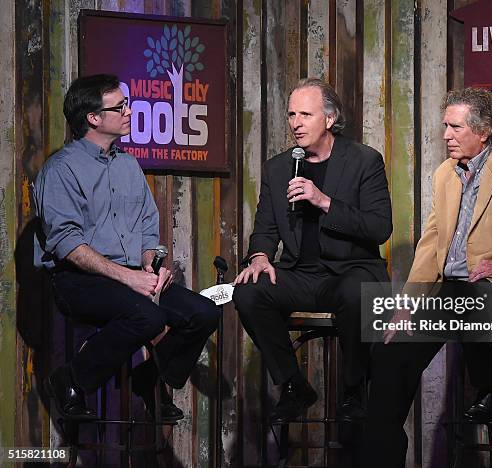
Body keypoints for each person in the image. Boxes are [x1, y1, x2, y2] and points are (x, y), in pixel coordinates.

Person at [363, 87, 492, 466]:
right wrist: (407, 303)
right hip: (448, 294)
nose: (445, 135)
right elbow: (430, 245)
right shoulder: (445, 174)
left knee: (468, 298)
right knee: (390, 350)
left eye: (455, 127)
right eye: (445, 126)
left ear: (484, 130)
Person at [34, 74, 220, 421]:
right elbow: (68, 245)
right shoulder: (61, 170)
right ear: (93, 117)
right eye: (120, 106)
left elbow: (148, 226)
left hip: (130, 276)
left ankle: (151, 375)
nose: (129, 111)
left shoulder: (128, 164)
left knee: (205, 313)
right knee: (147, 315)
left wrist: (150, 267)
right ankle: (70, 380)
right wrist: (129, 279)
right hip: (80, 279)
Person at [233, 78, 392, 423]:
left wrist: (324, 202)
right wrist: (259, 256)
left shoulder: (364, 161)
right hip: (301, 276)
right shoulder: (279, 168)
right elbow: (265, 229)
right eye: (291, 114)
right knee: (247, 291)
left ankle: (353, 390)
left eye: (306, 114)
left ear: (330, 119)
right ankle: (293, 385)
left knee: (356, 293)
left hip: (350, 271)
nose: (295, 123)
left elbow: (380, 228)